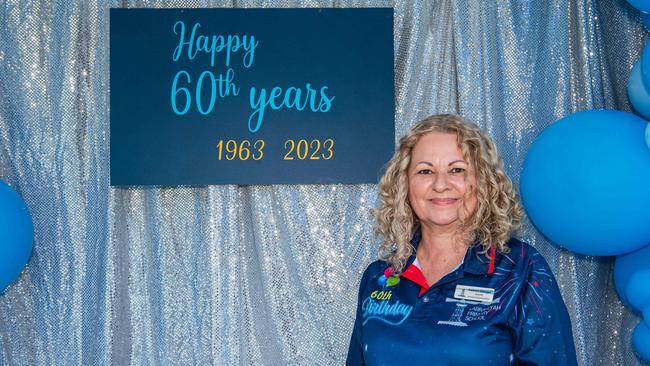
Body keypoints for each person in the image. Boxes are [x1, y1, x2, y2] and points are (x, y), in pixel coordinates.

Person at [346, 114, 577, 365]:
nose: (440, 184)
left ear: (483, 182)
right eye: (425, 171)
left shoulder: (521, 269)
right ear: (404, 184)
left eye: (457, 170)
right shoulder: (379, 277)